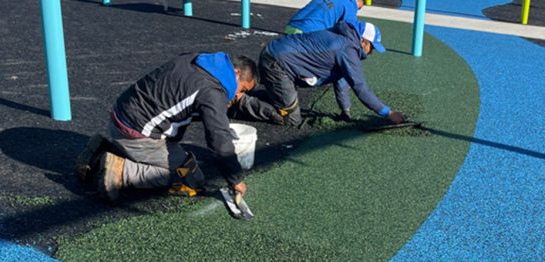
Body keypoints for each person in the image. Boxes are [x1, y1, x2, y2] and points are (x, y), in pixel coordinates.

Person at [74, 52, 257, 204]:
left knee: (174, 155)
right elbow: (219, 139)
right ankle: (122, 171)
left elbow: (176, 102)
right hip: (137, 132)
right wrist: (235, 179)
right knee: (187, 174)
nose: (238, 95)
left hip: (120, 115)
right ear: (236, 72)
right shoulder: (213, 92)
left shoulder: (196, 59)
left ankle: (100, 153)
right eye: (242, 89)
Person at [234, 21, 405, 128]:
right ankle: (239, 101)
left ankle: (246, 95)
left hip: (278, 56)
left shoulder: (345, 39)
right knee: (291, 118)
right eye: (371, 48)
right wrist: (388, 113)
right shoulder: (348, 49)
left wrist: (345, 111)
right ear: (363, 41)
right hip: (278, 64)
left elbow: (342, 80)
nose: (371, 53)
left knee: (287, 102)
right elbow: (360, 87)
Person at [285, 0, 364, 35]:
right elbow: (351, 32)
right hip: (307, 32)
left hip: (291, 25)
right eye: (359, 8)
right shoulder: (350, 6)